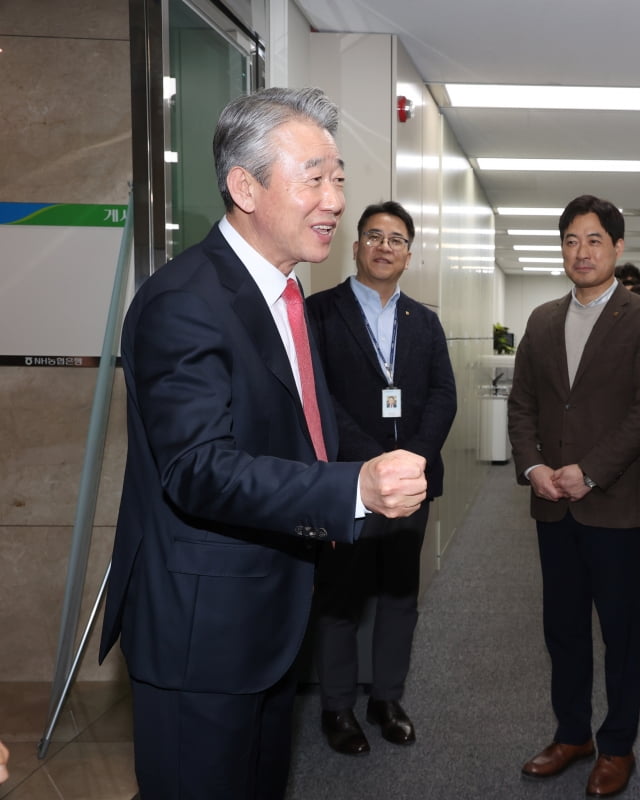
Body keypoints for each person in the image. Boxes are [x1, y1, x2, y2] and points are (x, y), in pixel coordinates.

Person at [97, 87, 428, 800]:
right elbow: (196, 469)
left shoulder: (284, 296)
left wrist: (356, 470)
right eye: (314, 178)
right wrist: (351, 491)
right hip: (202, 634)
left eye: (338, 177)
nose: (336, 200)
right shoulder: (185, 301)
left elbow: (300, 430)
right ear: (244, 186)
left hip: (271, 619)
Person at [508, 194, 640, 798]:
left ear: (618, 248)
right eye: (572, 240)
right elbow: (523, 403)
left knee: (619, 636)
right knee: (563, 627)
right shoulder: (543, 320)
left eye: (595, 240)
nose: (582, 251)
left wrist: (590, 470)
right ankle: (572, 732)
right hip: (553, 502)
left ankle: (619, 745)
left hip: (616, 506)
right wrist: (533, 468)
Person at [306, 201, 457, 755]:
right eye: (374, 236)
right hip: (347, 482)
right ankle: (338, 707)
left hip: (413, 484)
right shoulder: (320, 313)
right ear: (356, 247)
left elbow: (443, 395)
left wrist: (412, 458)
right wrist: (375, 462)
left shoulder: (426, 320)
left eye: (396, 239)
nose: (385, 246)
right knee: (340, 598)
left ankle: (387, 699)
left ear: (408, 254)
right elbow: (318, 399)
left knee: (399, 595)